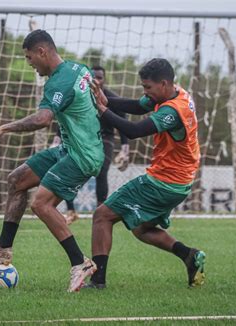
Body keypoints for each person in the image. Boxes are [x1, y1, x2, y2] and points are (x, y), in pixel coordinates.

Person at [0, 29, 104, 293]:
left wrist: (2, 129)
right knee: (17, 180)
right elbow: (97, 98)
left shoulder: (58, 82)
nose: (29, 63)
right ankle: (3, 249)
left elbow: (42, 120)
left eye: (30, 58)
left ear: (42, 52)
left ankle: (80, 263)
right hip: (70, 148)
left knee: (41, 204)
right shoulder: (80, 68)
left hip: (83, 155)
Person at [86, 58, 206, 290]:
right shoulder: (177, 93)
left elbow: (133, 131)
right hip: (180, 183)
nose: (145, 92)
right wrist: (107, 100)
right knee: (141, 228)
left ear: (163, 83)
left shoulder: (172, 111)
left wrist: (102, 109)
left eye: (147, 87)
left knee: (102, 216)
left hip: (162, 182)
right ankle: (190, 256)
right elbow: (139, 106)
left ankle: (97, 281)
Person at [50, 65, 129, 225]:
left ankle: (101, 210)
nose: (97, 80)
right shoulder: (79, 95)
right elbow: (66, 117)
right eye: (94, 77)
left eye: (100, 77)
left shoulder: (111, 98)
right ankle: (71, 211)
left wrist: (125, 150)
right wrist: (56, 141)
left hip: (105, 139)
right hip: (81, 138)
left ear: (104, 79)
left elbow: (123, 122)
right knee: (68, 171)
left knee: (101, 172)